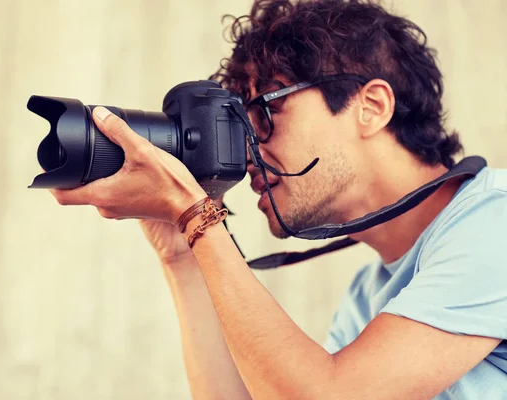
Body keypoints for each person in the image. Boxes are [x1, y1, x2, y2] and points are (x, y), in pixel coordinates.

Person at [48, 0, 507, 398]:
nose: (247, 150)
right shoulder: (368, 298)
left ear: (371, 107)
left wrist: (197, 214)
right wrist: (181, 254)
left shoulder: (495, 220)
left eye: (265, 112)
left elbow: (330, 394)